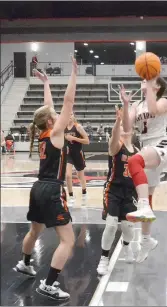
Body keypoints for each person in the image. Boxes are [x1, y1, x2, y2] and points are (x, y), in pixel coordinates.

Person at [14, 56, 78, 300]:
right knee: (67, 240)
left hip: (38, 187)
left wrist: (46, 83)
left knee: (34, 231)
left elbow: (47, 108)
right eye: (54, 115)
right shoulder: (56, 132)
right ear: (52, 121)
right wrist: (73, 73)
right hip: (52, 190)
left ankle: (25, 263)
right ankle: (49, 284)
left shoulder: (42, 132)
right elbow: (67, 101)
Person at [120, 77, 167, 263]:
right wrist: (126, 105)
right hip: (146, 148)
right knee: (148, 198)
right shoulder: (137, 104)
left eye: (149, 79)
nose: (144, 80)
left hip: (161, 145)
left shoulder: (162, 100)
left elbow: (153, 110)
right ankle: (146, 240)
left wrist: (150, 87)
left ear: (157, 86)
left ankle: (141, 205)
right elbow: (127, 128)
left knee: (134, 162)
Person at [97, 106, 139, 275]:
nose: (124, 129)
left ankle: (127, 246)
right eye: (122, 127)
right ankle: (104, 258)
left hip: (130, 192)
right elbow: (114, 138)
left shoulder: (137, 151)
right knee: (111, 224)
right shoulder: (115, 146)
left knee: (128, 227)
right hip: (113, 189)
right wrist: (118, 120)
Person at [65, 113, 89, 206]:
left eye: (71, 114)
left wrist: (73, 138)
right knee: (67, 175)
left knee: (80, 176)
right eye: (68, 114)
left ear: (73, 115)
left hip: (78, 154)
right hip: (68, 154)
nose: (69, 115)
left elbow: (87, 141)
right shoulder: (63, 127)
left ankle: (84, 192)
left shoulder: (78, 127)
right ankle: (71, 196)